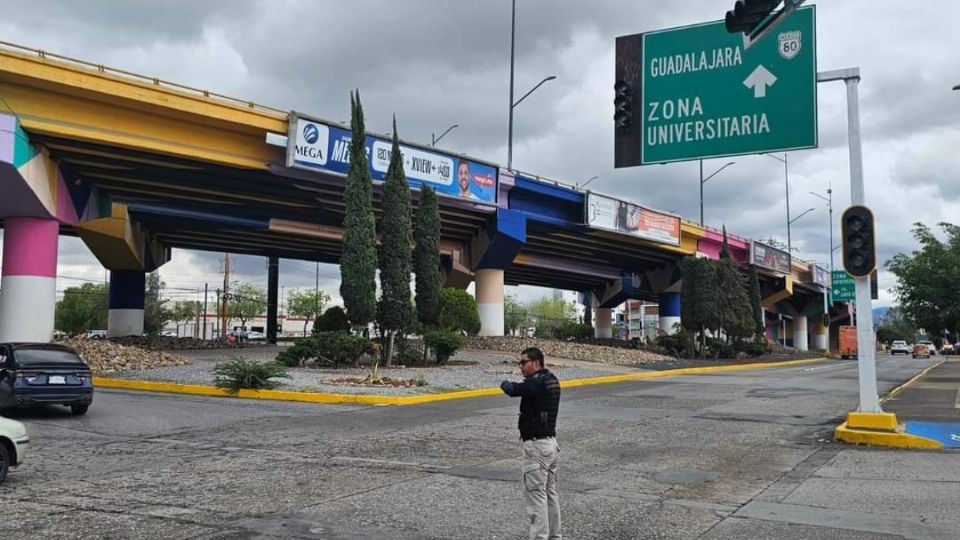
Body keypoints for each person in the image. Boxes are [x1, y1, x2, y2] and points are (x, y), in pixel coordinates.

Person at [500, 347, 562, 540]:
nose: (521, 367)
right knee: (550, 494)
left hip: (537, 447)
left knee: (536, 496)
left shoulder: (537, 383)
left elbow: (512, 389)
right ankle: (554, 536)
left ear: (536, 363)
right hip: (550, 445)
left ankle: (540, 537)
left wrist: (503, 382)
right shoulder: (551, 379)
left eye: (524, 362)